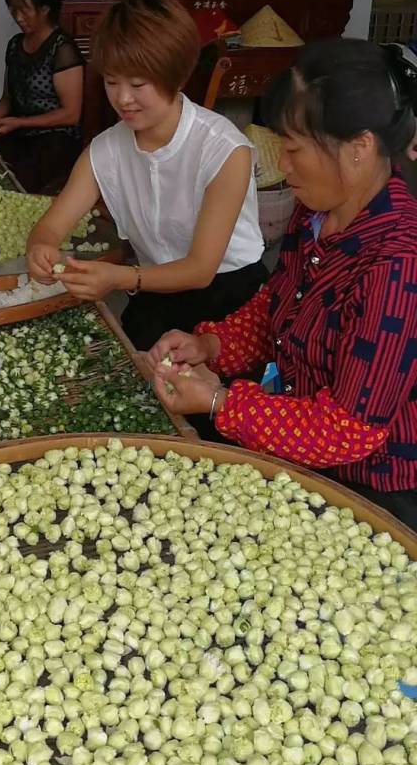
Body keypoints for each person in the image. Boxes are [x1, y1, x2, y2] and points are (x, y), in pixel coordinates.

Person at [148, 37, 417, 529]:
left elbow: (348, 431)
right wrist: (211, 345)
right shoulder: (317, 212)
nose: (282, 165)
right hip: (294, 439)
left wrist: (219, 401)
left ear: (359, 148)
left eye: (293, 149)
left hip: (371, 487)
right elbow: (279, 302)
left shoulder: (397, 265)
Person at [27, 0, 266, 352]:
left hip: (230, 302)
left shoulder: (223, 149)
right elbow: (52, 224)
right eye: (111, 81)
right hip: (155, 293)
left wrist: (118, 278)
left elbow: (201, 269)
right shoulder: (106, 150)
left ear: (176, 76)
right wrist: (41, 248)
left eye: (138, 84)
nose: (123, 98)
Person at [0, 0, 84, 195]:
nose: (18, 17)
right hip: (21, 136)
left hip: (56, 140)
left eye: (24, 10)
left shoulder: (62, 49)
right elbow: (8, 98)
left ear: (44, 9)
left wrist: (18, 123)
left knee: (16, 185)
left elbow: (71, 114)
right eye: (13, 10)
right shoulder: (15, 45)